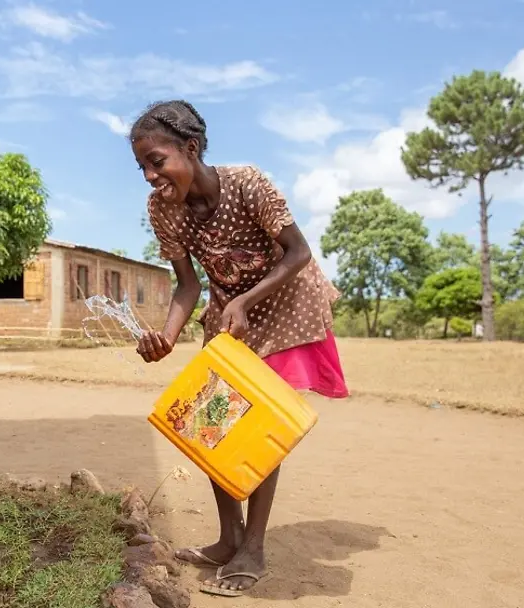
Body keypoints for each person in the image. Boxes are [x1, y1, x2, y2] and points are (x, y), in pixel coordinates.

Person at [130, 100, 349, 598]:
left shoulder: (247, 183)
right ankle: (229, 537)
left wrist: (246, 300)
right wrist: (167, 337)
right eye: (141, 166)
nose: (149, 175)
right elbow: (188, 284)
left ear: (190, 148)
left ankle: (253, 548)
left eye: (156, 161)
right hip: (231, 308)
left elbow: (299, 252)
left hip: (284, 301)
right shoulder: (162, 208)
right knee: (211, 423)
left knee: (258, 424)